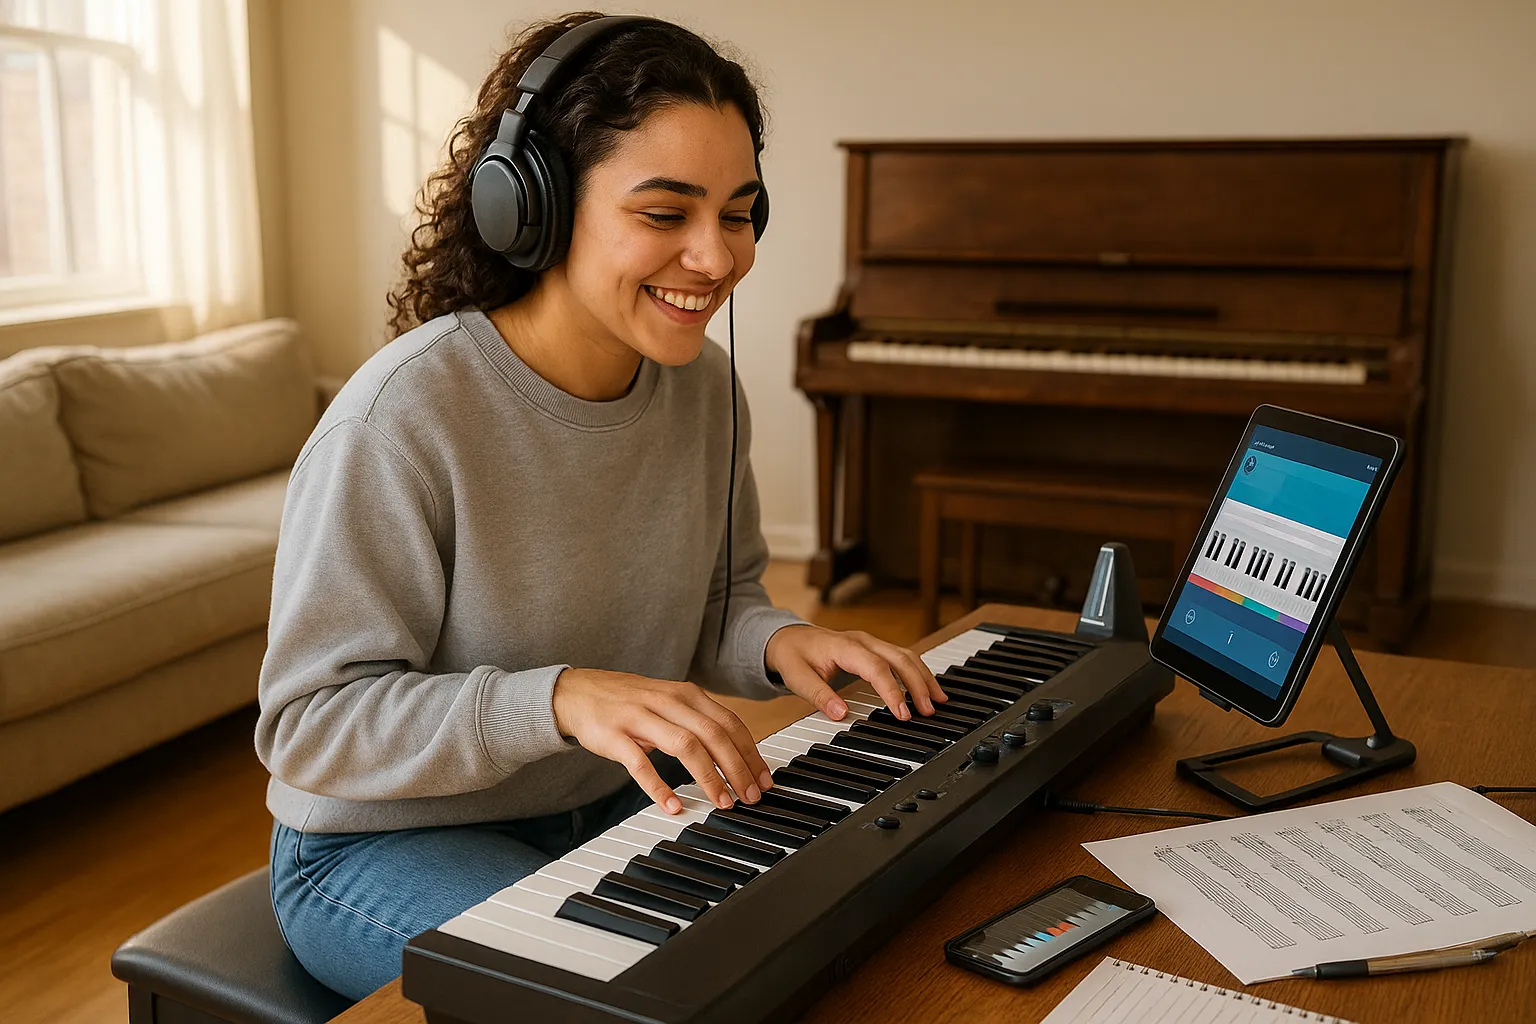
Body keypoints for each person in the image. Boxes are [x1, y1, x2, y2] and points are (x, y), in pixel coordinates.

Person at [256, 13, 948, 1001]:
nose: (715, 259)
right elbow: (311, 725)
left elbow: (719, 607)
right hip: (377, 848)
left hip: (604, 808)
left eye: (739, 212)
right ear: (530, 206)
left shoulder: (706, 390)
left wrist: (782, 642)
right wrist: (560, 696)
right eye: (665, 215)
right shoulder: (400, 417)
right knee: (644, 992)